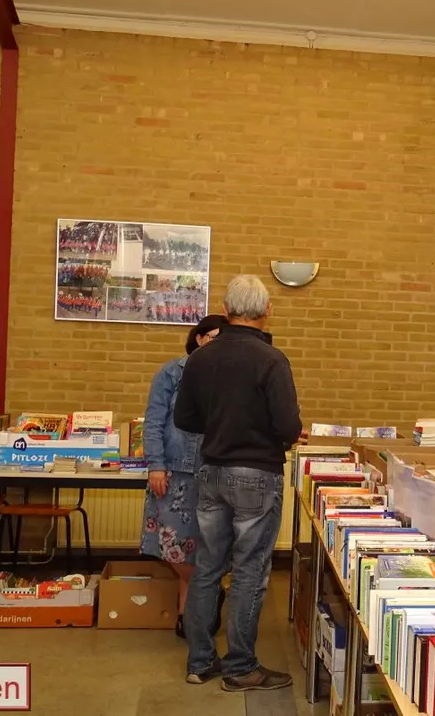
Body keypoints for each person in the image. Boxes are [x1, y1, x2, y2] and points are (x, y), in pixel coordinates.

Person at [175, 274, 302, 691]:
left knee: (207, 569)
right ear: (267, 312)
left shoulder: (201, 358)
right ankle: (241, 667)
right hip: (257, 476)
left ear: (226, 311)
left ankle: (199, 663)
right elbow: (287, 425)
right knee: (249, 571)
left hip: (210, 471)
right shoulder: (271, 360)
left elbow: (184, 419)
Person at [141, 314, 229, 638]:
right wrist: (156, 465)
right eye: (213, 337)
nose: (217, 345)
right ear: (199, 338)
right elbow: (153, 422)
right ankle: (208, 595)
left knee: (205, 547)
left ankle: (187, 616)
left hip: (214, 473)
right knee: (173, 548)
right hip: (174, 474)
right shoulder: (171, 373)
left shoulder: (228, 378)